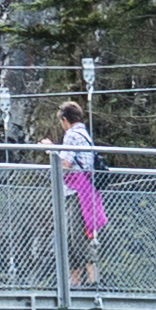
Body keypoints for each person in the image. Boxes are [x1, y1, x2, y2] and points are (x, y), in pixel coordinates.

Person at [51, 98, 106, 290]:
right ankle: (75, 282)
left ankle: (93, 279)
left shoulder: (72, 135)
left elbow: (64, 164)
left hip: (77, 193)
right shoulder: (85, 134)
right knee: (71, 237)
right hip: (83, 192)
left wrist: (49, 149)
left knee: (77, 236)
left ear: (65, 120)